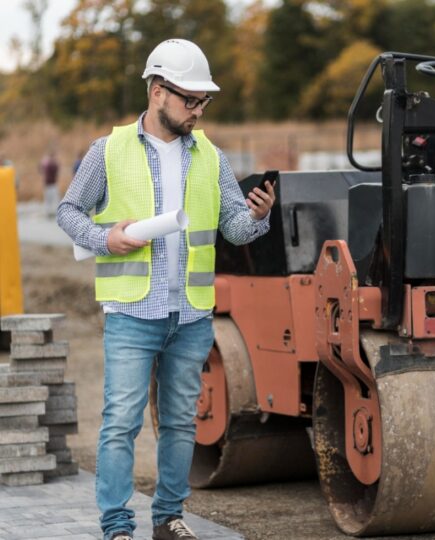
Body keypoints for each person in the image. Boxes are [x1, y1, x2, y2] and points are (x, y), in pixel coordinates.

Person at [57, 38, 276, 540]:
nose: (198, 110)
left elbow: (233, 229)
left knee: (180, 424)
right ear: (158, 92)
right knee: (120, 424)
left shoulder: (211, 157)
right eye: (190, 100)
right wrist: (103, 238)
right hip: (132, 311)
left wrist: (257, 217)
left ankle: (168, 518)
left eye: (204, 102)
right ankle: (116, 526)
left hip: (191, 314)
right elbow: (68, 211)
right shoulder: (106, 150)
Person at [40, 150, 59, 216]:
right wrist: (43, 163)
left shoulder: (52, 165)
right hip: (48, 185)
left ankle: (56, 211)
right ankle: (47, 212)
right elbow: (40, 169)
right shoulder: (47, 164)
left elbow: (56, 169)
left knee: (55, 199)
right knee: (48, 200)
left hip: (53, 184)